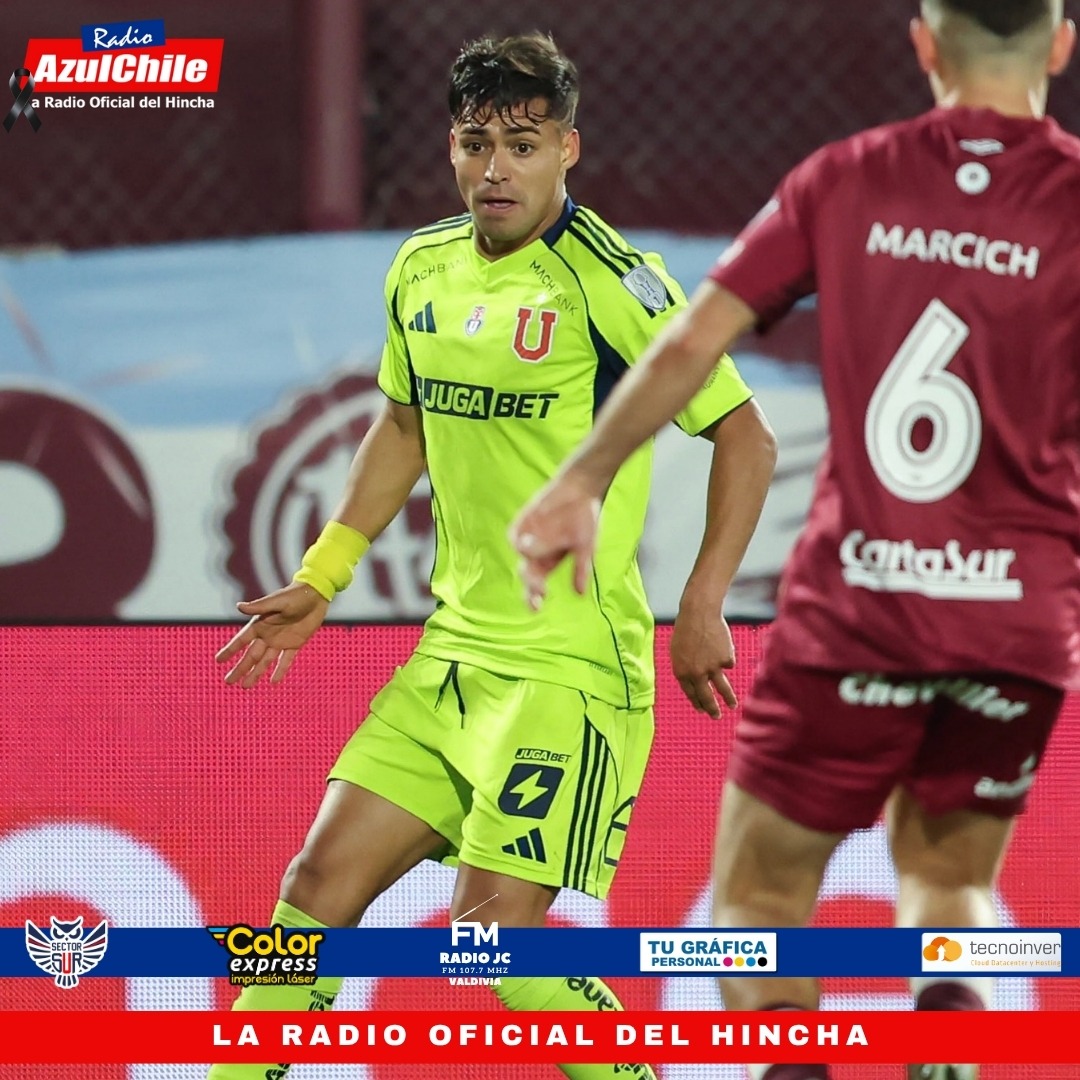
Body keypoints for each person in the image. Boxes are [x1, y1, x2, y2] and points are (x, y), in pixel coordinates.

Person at [511, 4, 1080, 1080]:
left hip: (858, 613)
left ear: (924, 44)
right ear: (1059, 44)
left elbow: (692, 340)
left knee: (760, 898)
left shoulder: (844, 177)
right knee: (952, 882)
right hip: (1017, 619)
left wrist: (581, 477)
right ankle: (948, 1042)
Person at [208, 31, 776, 1080]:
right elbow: (403, 428)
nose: (495, 168)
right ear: (451, 148)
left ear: (570, 149)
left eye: (522, 144)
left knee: (504, 963)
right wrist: (325, 577)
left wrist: (704, 604)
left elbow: (746, 434)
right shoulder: (421, 267)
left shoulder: (616, 283)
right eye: (476, 144)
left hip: (569, 671)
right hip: (451, 660)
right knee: (308, 902)